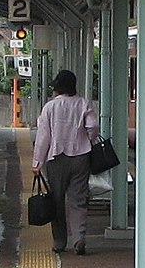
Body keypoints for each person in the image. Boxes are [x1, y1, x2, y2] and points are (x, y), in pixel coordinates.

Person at [31, 68, 100, 254]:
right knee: (78, 199)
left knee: (56, 200)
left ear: (57, 88)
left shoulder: (50, 107)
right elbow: (93, 126)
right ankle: (79, 238)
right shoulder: (83, 103)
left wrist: (37, 163)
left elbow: (43, 137)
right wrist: (88, 140)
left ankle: (60, 241)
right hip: (80, 157)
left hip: (56, 158)